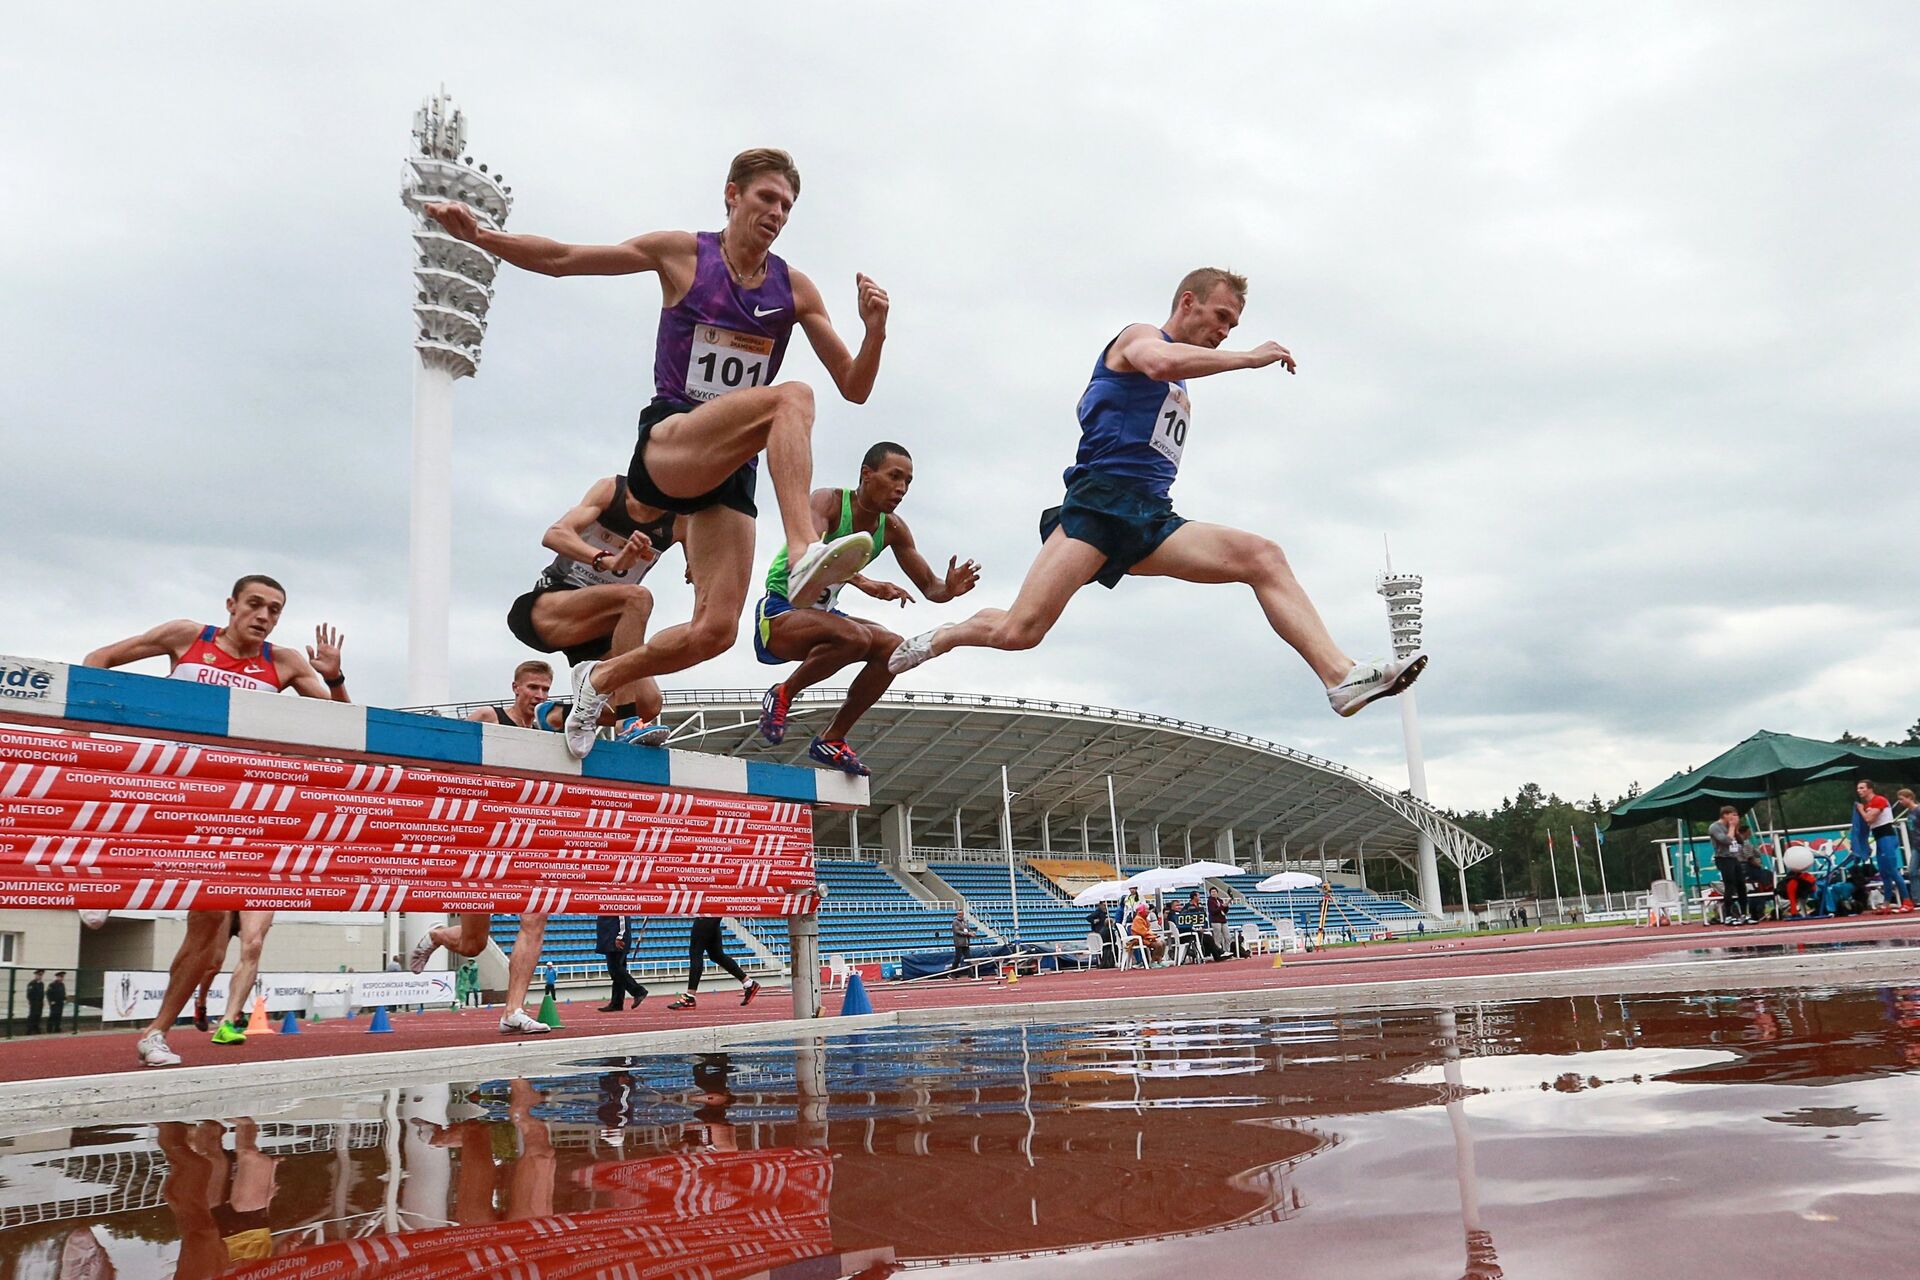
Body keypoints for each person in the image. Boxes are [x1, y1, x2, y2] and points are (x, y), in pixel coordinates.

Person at [426, 148, 893, 759]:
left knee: (716, 632)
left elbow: (855, 387)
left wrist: (876, 331)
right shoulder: (682, 254)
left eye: (786, 205)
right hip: (674, 440)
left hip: (733, 466)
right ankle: (804, 546)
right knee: (793, 396)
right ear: (732, 195)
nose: (776, 212)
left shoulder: (794, 289)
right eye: (765, 198)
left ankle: (599, 681)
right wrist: (486, 237)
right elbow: (566, 260)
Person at [888, 268, 1426, 721]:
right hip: (1097, 509)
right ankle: (949, 636)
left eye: (1234, 326)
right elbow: (1158, 361)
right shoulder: (1140, 337)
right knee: (1018, 631)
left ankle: (1340, 676)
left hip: (1151, 519)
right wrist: (1248, 357)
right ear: (1188, 302)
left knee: (1263, 556)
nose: (1225, 331)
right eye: (1220, 318)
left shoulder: (1182, 380)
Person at [84, 575, 349, 1066]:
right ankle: (105, 883)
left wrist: (332, 678)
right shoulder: (186, 637)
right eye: (254, 604)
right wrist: (112, 728)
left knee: (206, 934)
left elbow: (344, 727)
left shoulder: (284, 662)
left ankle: (155, 1033)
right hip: (162, 784)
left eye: (274, 610)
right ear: (231, 605)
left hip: (226, 805)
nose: (264, 616)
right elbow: (98, 661)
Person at [753, 442, 982, 775]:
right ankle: (782, 694)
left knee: (894, 648)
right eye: (894, 477)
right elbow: (807, 553)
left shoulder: (892, 528)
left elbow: (931, 589)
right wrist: (864, 582)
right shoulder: (828, 501)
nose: (901, 489)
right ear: (866, 474)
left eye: (908, 481)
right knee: (856, 636)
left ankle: (832, 738)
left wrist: (950, 588)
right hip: (781, 612)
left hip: (825, 618)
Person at [499, 476, 691, 745]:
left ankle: (556, 715)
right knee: (637, 598)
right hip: (552, 605)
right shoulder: (612, 491)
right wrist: (606, 560)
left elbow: (704, 557)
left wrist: (697, 567)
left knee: (649, 703)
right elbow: (554, 534)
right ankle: (626, 721)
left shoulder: (681, 520)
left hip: (599, 628)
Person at [669, 918, 760, 1010]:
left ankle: (690, 997)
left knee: (696, 952)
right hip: (712, 914)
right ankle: (749, 983)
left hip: (707, 914)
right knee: (716, 955)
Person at [1857, 779, 1915, 912]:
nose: (1859, 791)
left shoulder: (1879, 800)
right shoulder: (1868, 805)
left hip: (1888, 837)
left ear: (1870, 789)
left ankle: (1907, 901)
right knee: (1884, 872)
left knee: (1892, 870)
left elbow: (1869, 819)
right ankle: (1886, 903)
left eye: (1862, 788)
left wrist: (1860, 810)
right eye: (1858, 788)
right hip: (1880, 838)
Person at [1708, 805, 1750, 926]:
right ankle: (1728, 916)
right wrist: (1731, 827)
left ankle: (1744, 914)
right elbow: (1726, 841)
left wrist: (1736, 829)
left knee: (1741, 885)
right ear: (1725, 815)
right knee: (1729, 885)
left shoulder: (1732, 827)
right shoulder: (1715, 827)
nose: (1735, 818)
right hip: (1723, 858)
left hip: (1734, 857)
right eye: (1733, 815)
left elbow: (1741, 841)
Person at [596, 914, 648, 1011]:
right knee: (618, 970)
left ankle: (638, 991)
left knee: (615, 969)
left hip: (615, 938)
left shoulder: (616, 901)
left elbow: (622, 915)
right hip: (610, 937)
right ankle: (617, 1002)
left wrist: (620, 936)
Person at [1207, 888, 1232, 959]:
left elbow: (1225, 911)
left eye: (1214, 892)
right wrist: (1222, 906)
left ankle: (1227, 951)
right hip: (1215, 920)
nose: (1213, 893)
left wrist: (1226, 906)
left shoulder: (1220, 900)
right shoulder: (1210, 901)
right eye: (1212, 892)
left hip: (1223, 920)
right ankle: (1219, 953)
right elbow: (1213, 911)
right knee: (1217, 938)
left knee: (1227, 937)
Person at [950, 909, 973, 978]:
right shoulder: (955, 922)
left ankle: (971, 973)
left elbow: (968, 929)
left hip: (966, 943)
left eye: (962, 914)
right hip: (959, 943)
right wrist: (967, 933)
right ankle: (952, 973)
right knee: (957, 958)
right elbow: (957, 931)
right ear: (957, 915)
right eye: (959, 914)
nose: (961, 915)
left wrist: (971, 932)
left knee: (969, 958)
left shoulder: (965, 922)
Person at [25, 969, 44, 1035]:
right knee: (32, 1015)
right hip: (34, 1003)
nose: (40, 976)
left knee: (38, 1015)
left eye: (41, 975)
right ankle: (29, 1029)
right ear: (36, 975)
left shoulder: (41, 984)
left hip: (40, 1003)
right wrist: (32, 1002)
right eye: (39, 975)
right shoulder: (32, 984)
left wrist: (41, 1002)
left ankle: (36, 1028)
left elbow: (42, 994)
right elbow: (29, 994)